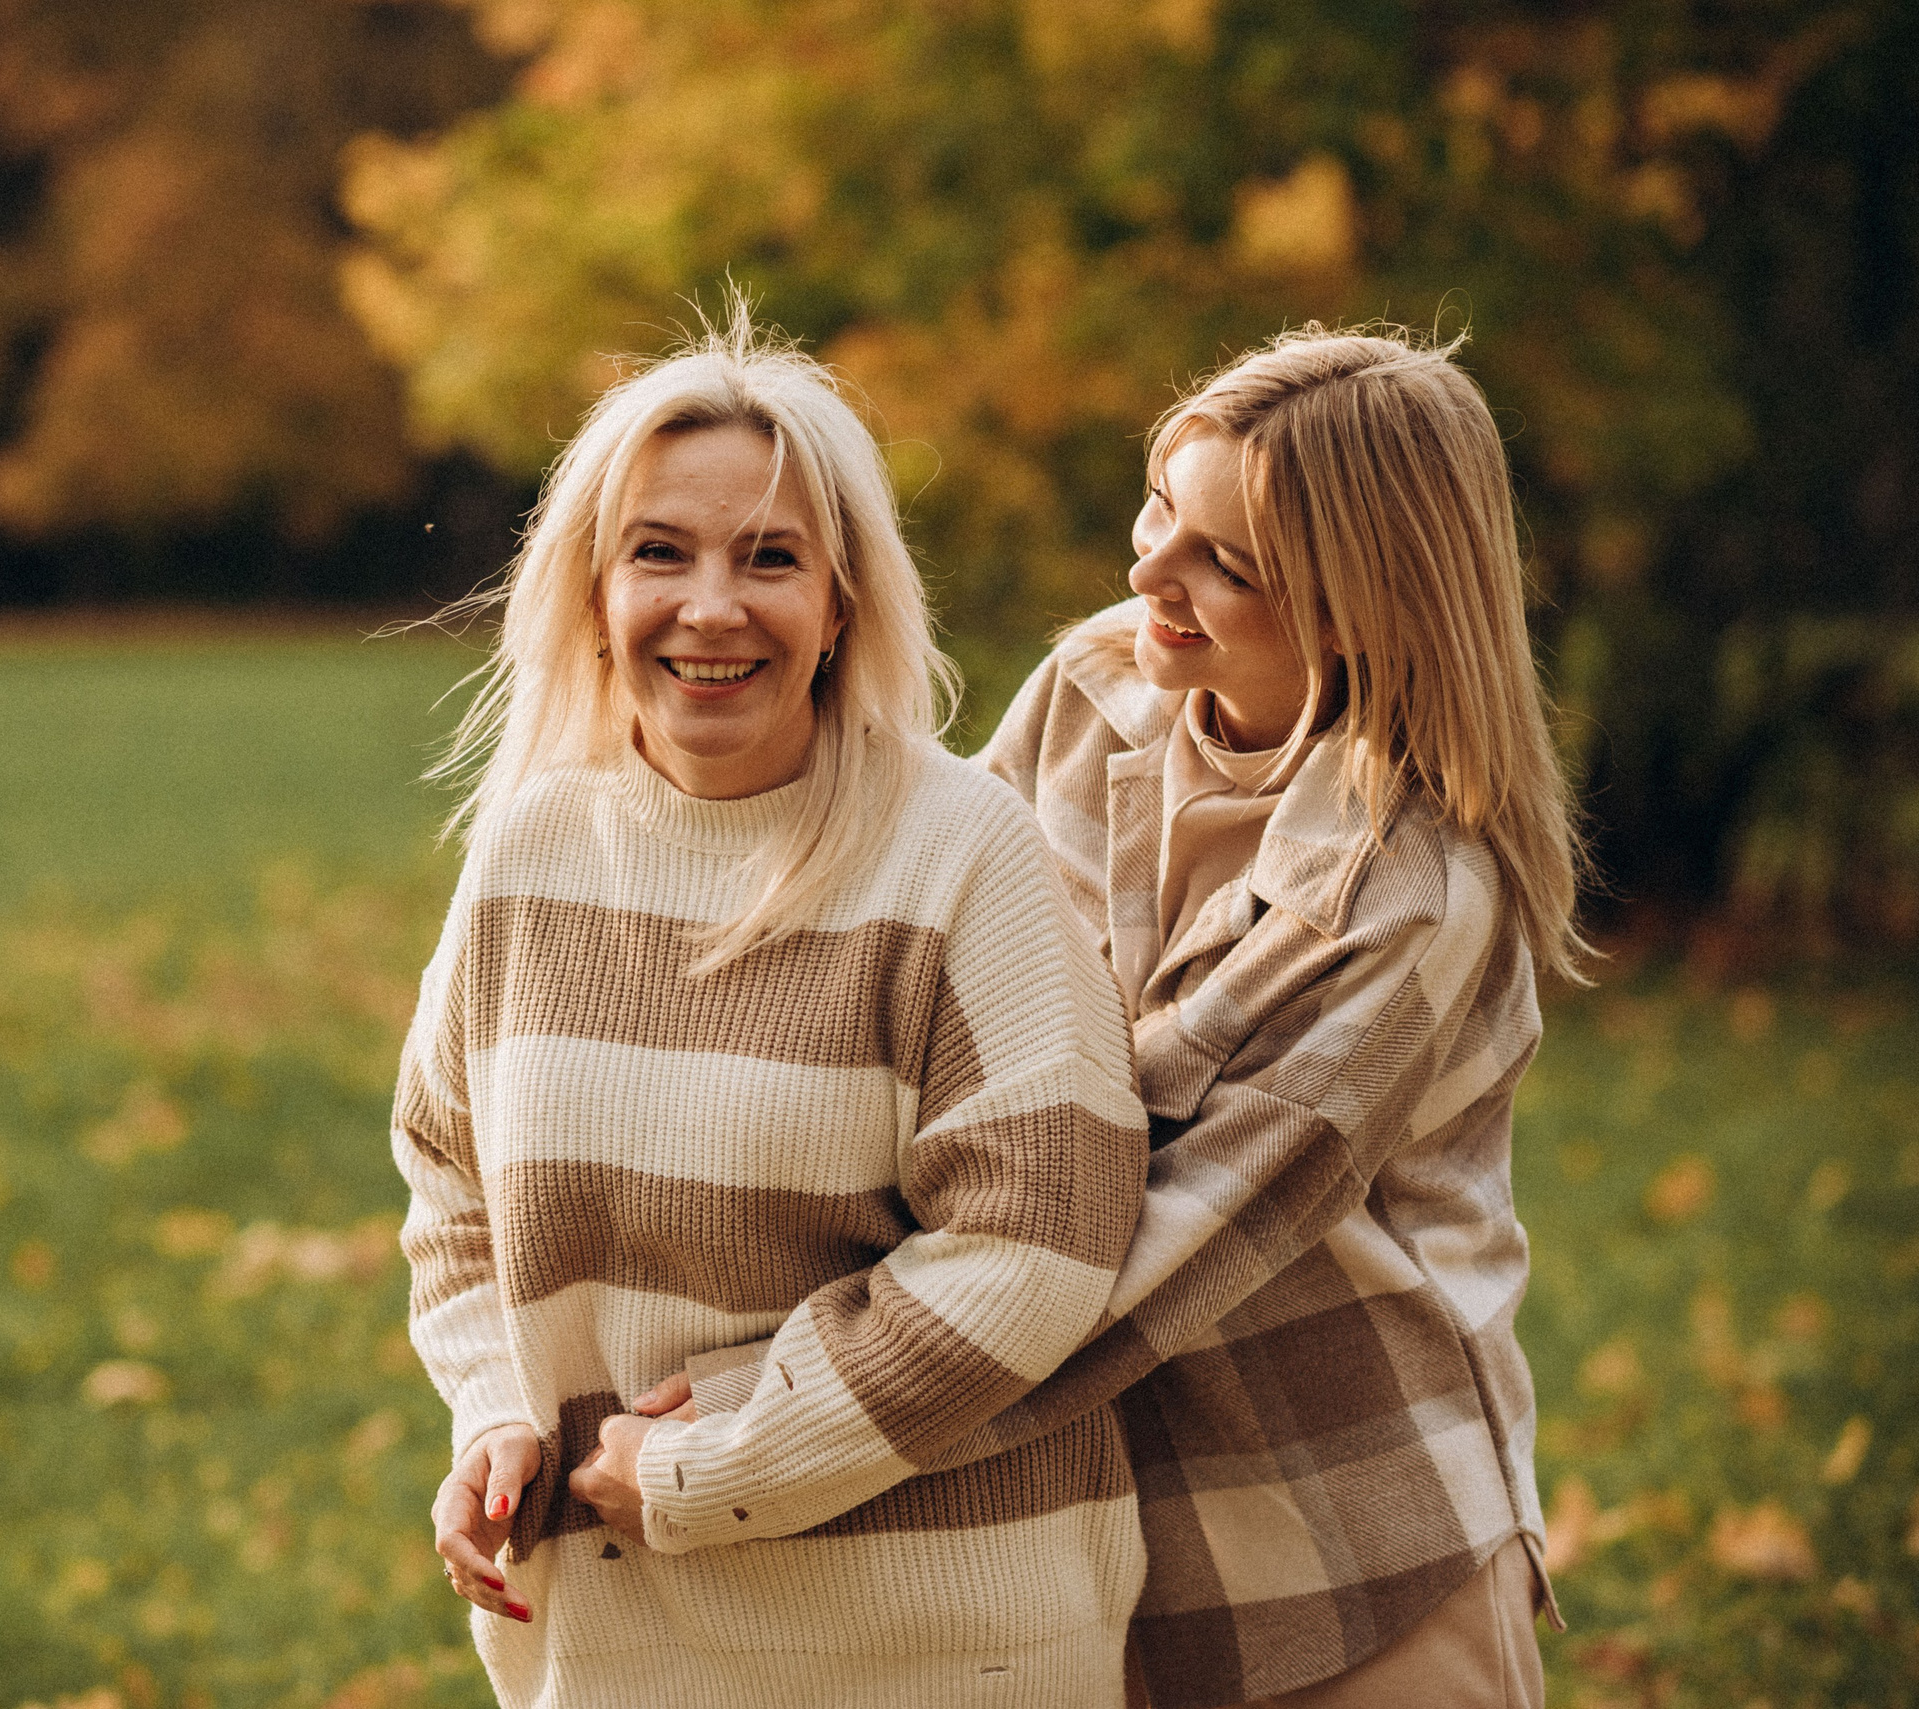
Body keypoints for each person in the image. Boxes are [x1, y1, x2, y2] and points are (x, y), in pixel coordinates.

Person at [391, 314, 1152, 1708]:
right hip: (621, 1656)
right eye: (661, 551)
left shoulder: (960, 850)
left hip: (943, 1648)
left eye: (772, 557)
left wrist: (715, 1470)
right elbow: (451, 1182)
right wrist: (496, 1412)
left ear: (845, 600)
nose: (712, 606)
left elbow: (1038, 1243)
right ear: (593, 590)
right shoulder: (531, 848)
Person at [964, 324, 1584, 1708]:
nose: (1146, 577)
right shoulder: (1091, 689)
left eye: (1221, 566)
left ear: (1361, 604)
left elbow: (1149, 1252)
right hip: (1110, 1538)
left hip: (1354, 1559)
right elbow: (917, 964)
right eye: (1159, 513)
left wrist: (776, 1427)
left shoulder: (1410, 893)